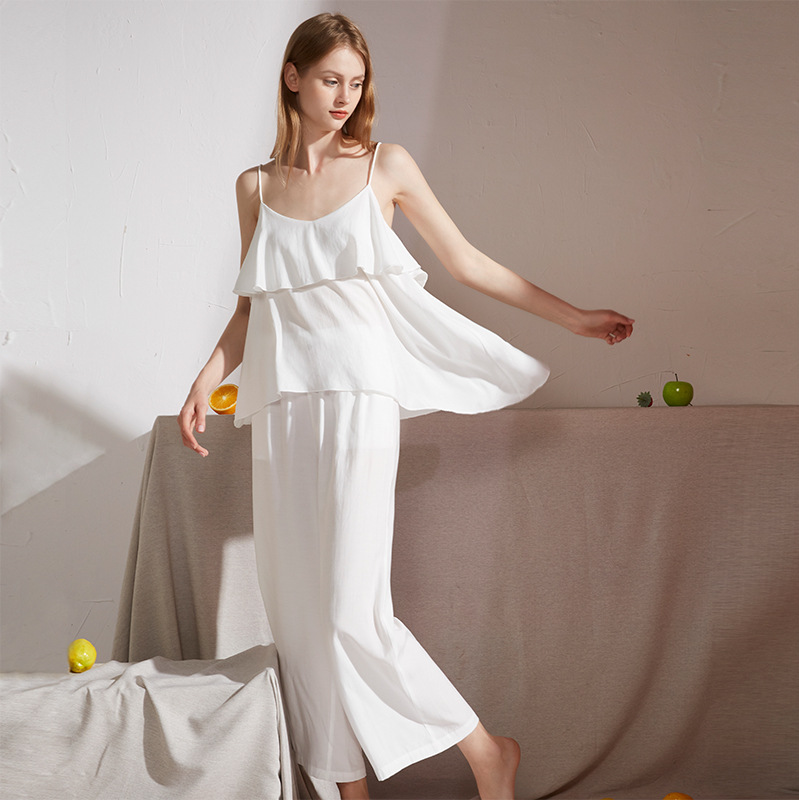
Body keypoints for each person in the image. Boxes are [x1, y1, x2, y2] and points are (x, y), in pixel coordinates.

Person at [179, 12, 633, 800]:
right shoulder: (255, 187)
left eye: (356, 83)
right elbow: (252, 307)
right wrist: (203, 378)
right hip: (283, 410)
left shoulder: (385, 167)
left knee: (352, 614)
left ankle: (488, 752)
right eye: (330, 79)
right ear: (292, 76)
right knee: (298, 618)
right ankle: (347, 787)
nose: (344, 97)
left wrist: (574, 318)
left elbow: (468, 263)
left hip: (359, 401)